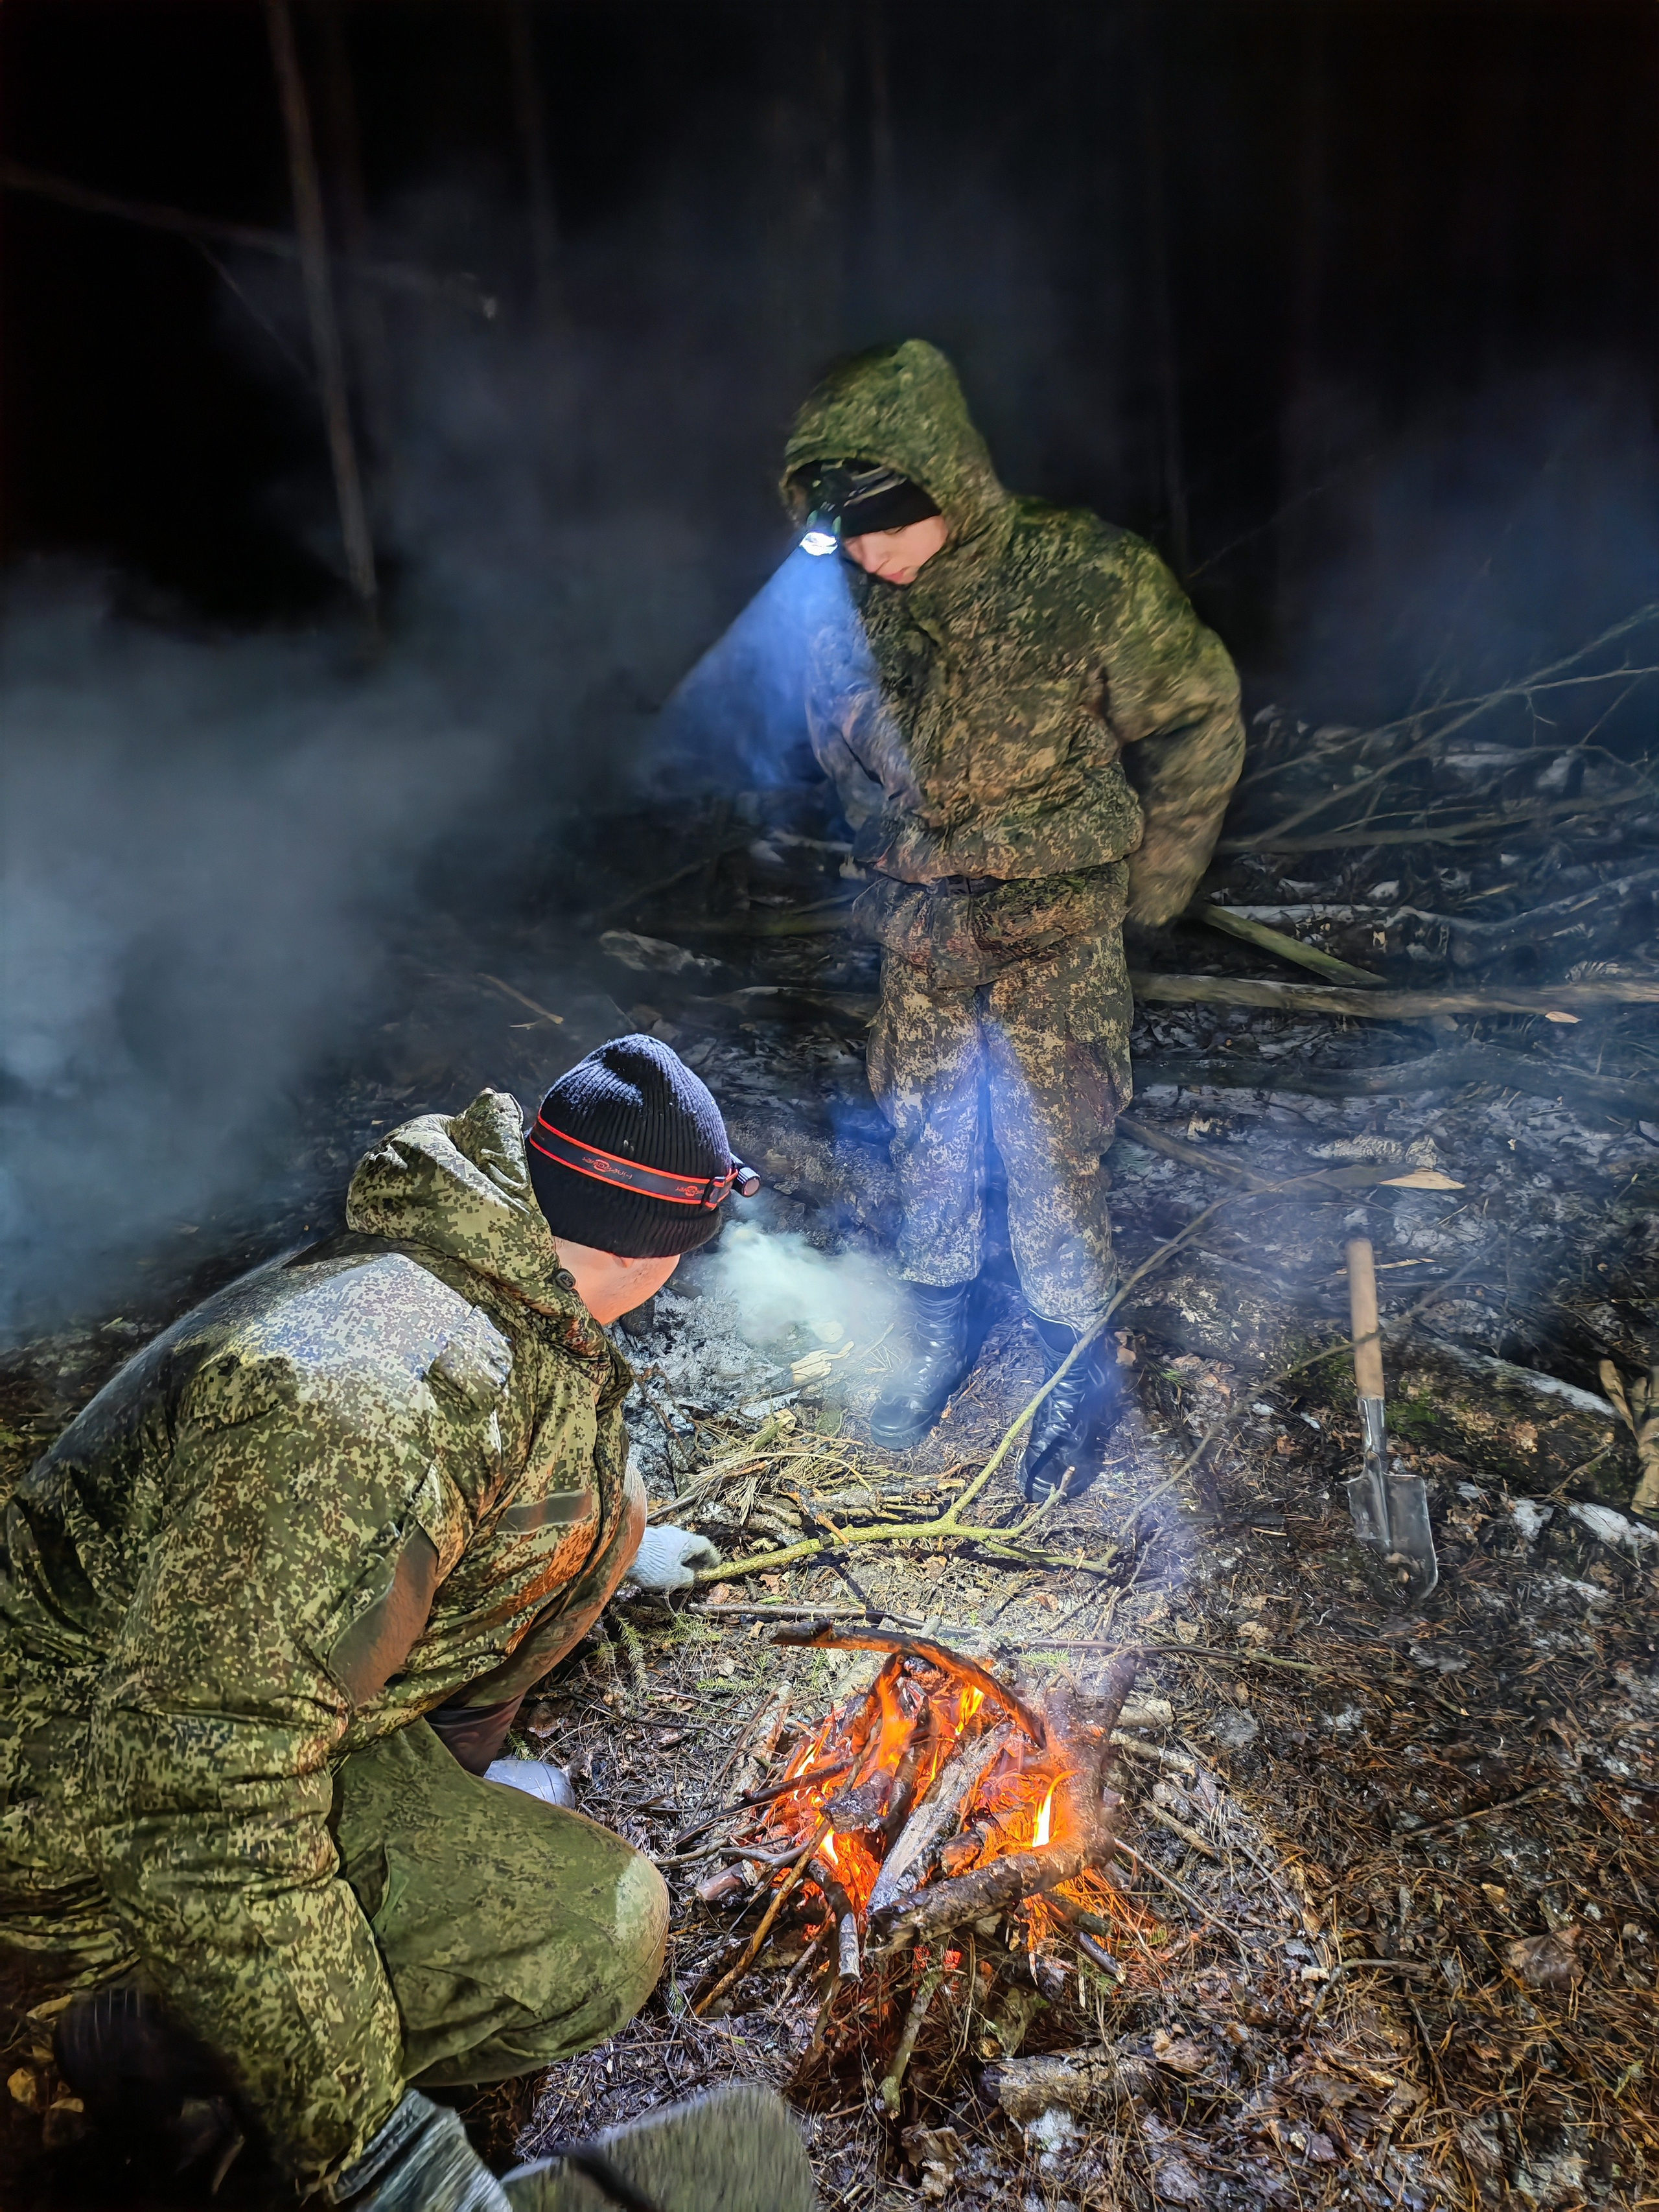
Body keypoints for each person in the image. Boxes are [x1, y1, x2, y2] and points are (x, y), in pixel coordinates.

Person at [0, 1036, 750, 2209]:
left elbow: (507, 1521)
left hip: (224, 1716)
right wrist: (383, 2153)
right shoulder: (367, 1399)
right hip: (80, 1813)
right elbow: (201, 1791)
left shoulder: (497, 1274)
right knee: (598, 1936)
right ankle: (142, 2034)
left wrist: (604, 1555)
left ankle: (314, 1934)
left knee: (611, 1510)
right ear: (658, 1250)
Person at [785, 340, 1246, 1501]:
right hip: (922, 934)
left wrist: (1155, 888)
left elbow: (1198, 714)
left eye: (890, 523)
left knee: (1053, 1156)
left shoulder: (1080, 575)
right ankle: (943, 1330)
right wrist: (886, 845)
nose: (873, 554)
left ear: (945, 480)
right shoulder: (851, 607)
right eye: (853, 534)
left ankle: (1076, 1372)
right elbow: (833, 743)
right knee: (928, 1139)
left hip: (1054, 927)